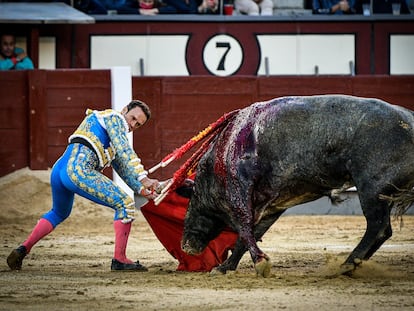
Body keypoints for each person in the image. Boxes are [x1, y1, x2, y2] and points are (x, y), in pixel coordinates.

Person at [7, 100, 161, 272]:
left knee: (59, 212)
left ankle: (23, 249)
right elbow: (125, 150)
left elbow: (124, 169)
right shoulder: (114, 117)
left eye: (138, 124)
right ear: (124, 110)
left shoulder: (112, 138)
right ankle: (120, 259)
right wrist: (144, 177)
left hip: (60, 170)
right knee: (125, 203)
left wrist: (141, 189)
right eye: (133, 118)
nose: (132, 125)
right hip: (78, 170)